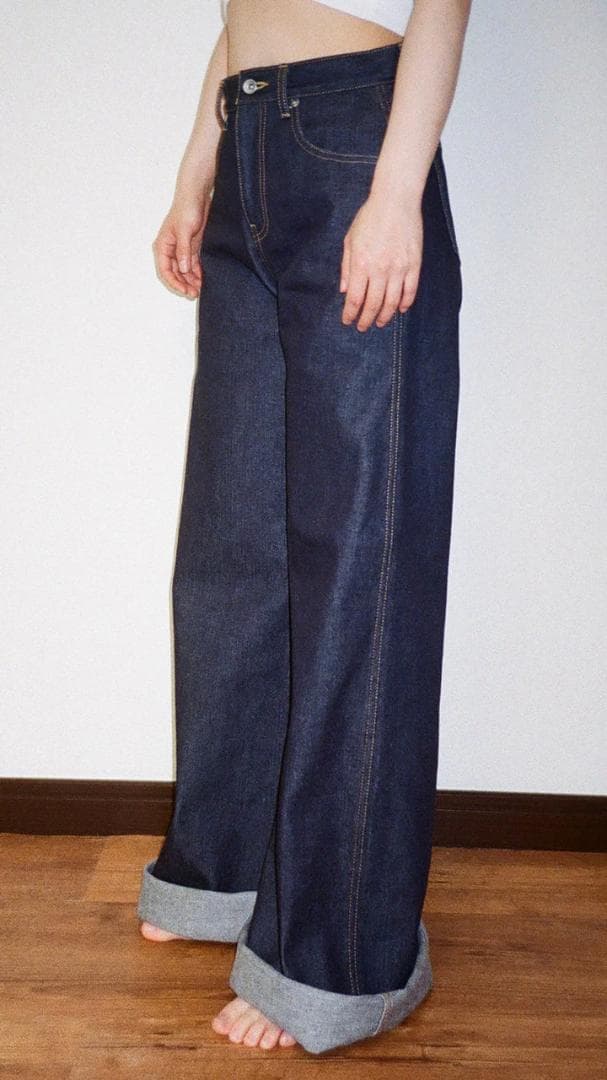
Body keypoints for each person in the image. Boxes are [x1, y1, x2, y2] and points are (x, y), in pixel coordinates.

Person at [136, 0, 471, 1056]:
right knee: (235, 550)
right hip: (249, 137)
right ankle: (227, 874)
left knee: (360, 563)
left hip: (357, 140)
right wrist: (197, 168)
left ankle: (342, 958)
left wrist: (398, 189)